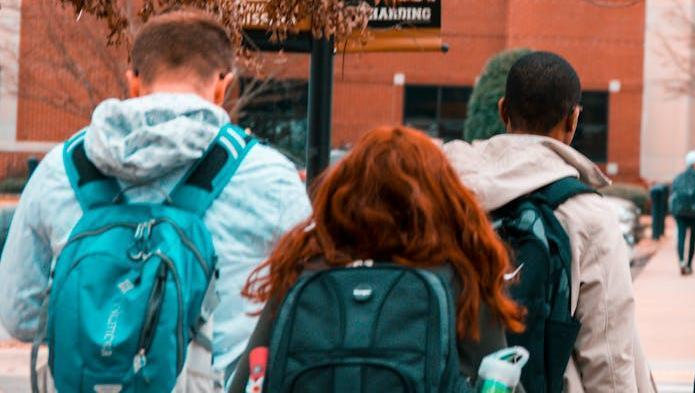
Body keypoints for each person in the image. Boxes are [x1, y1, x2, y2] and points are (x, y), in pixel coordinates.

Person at [0, 9, 310, 388]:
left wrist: (105, 325)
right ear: (223, 85)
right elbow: (306, 310)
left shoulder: (61, 169)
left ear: (133, 82)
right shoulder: (268, 176)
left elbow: (19, 314)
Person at [229, 126, 523, 391]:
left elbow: (247, 384)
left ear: (341, 196)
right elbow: (499, 376)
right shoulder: (461, 280)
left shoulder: (303, 275)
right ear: (440, 200)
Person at [442, 51, 656, 393]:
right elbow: (607, 354)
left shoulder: (444, 194)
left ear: (502, 110)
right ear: (572, 120)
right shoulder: (586, 213)